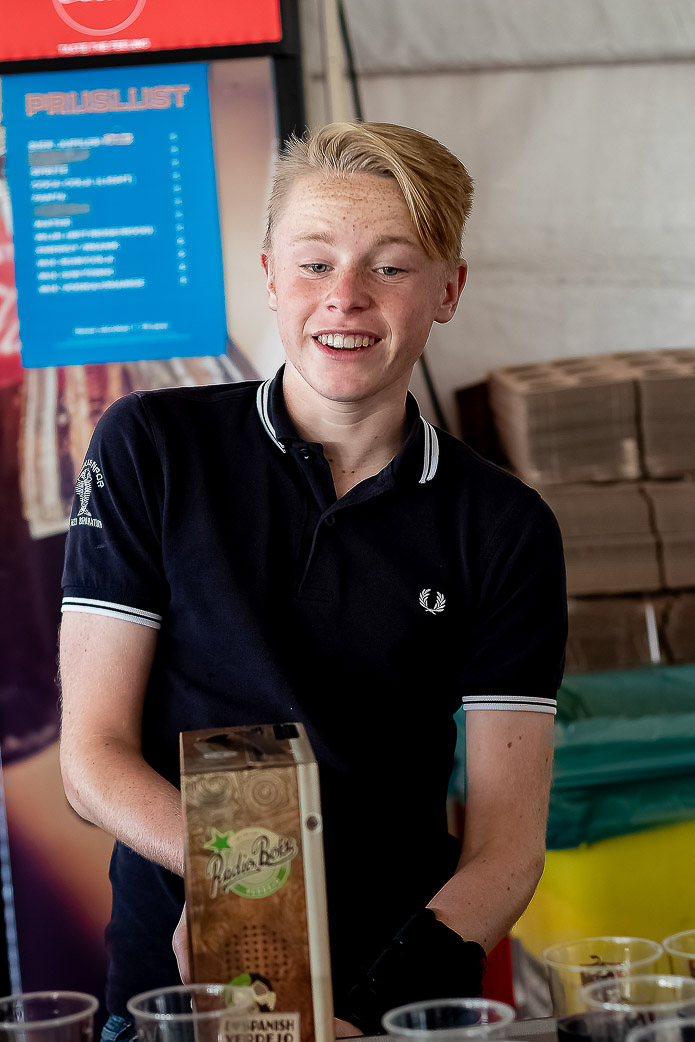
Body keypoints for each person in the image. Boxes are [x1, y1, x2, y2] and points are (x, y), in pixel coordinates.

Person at [59, 121, 567, 1039]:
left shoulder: (504, 526)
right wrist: (235, 891)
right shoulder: (152, 447)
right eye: (314, 263)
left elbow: (505, 852)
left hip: (388, 1001)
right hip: (175, 1000)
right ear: (268, 277)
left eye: (390, 266)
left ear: (448, 289)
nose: (345, 298)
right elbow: (91, 759)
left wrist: (361, 1018)